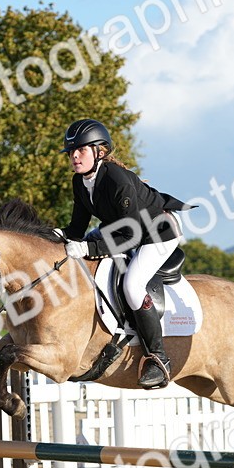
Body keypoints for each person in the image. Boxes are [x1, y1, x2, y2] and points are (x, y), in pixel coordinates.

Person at [60, 118, 189, 389]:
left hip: (157, 234)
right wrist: (55, 238)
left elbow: (131, 236)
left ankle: (159, 358)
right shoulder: (80, 182)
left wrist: (89, 248)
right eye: (71, 152)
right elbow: (77, 228)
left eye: (80, 150)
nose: (74, 156)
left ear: (100, 151)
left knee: (132, 284)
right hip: (122, 232)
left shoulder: (117, 179)